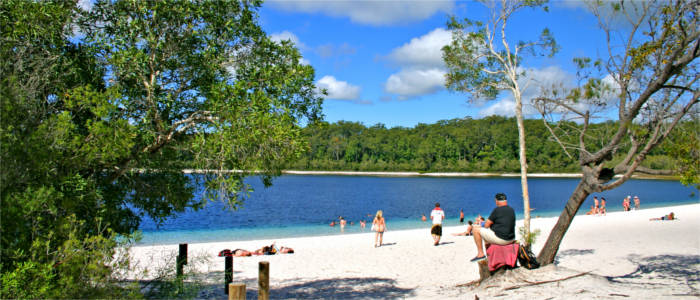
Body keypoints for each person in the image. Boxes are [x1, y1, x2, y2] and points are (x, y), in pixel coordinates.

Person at [470, 193, 516, 262]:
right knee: (486, 233)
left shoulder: (497, 210)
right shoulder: (511, 209)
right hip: (511, 238)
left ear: (496, 201)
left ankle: (480, 254)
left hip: (502, 240)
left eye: (495, 201)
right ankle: (490, 254)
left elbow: (486, 225)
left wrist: (481, 223)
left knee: (475, 229)